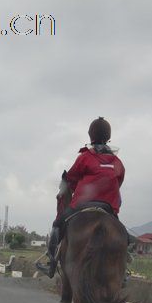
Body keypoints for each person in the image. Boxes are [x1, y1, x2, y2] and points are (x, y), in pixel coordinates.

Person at [37, 117, 125, 278]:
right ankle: (123, 271)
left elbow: (69, 179)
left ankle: (51, 263)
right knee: (122, 234)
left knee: (57, 225)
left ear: (91, 136)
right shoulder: (117, 162)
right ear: (108, 136)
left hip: (82, 205)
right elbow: (118, 184)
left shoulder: (85, 157)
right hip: (108, 208)